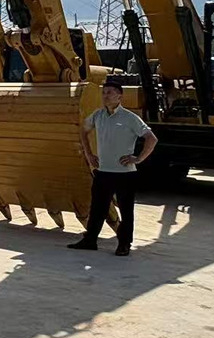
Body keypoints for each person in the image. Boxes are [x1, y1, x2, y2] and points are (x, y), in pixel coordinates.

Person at [68, 75, 158, 256]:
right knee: (97, 209)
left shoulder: (129, 118)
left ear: (120, 96)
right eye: (104, 93)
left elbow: (152, 138)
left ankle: (124, 244)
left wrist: (138, 159)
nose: (105, 96)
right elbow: (83, 131)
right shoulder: (98, 115)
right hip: (103, 172)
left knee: (126, 210)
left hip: (125, 174)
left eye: (110, 93)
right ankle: (90, 240)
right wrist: (88, 154)